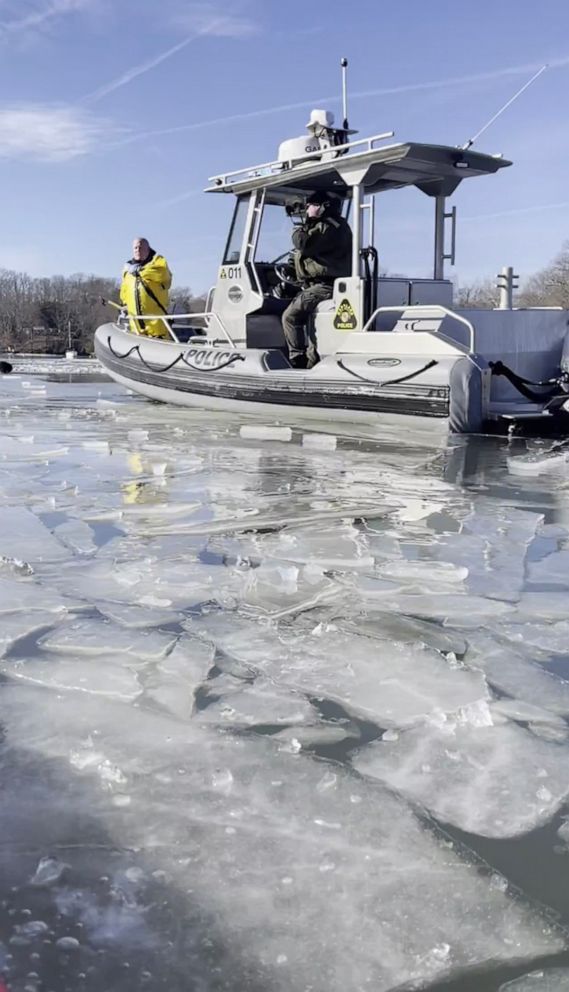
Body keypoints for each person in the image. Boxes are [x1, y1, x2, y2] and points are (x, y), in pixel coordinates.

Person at [282, 191, 352, 369]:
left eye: (310, 205)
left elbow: (304, 244)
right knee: (313, 323)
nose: (306, 208)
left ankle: (297, 359)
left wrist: (301, 224)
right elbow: (304, 255)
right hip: (322, 284)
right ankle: (312, 364)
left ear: (322, 207)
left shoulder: (327, 227)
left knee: (290, 317)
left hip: (325, 285)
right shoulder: (331, 226)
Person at [120, 238, 172, 339]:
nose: (137, 250)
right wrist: (124, 306)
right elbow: (124, 292)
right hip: (136, 329)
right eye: (135, 248)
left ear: (148, 249)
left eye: (140, 247)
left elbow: (162, 275)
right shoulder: (127, 271)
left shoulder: (158, 262)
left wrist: (139, 270)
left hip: (157, 329)